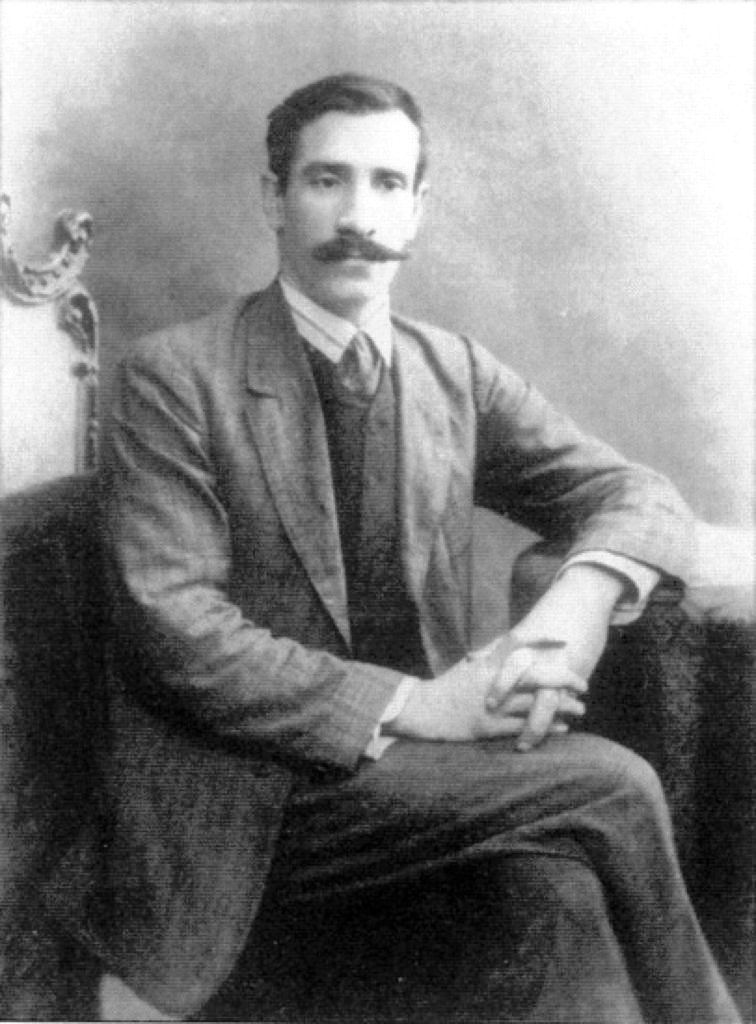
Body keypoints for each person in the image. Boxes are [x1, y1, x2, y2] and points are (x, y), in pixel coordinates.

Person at [46, 73, 741, 1023]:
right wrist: (420, 704)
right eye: (327, 180)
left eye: (386, 184)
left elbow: (636, 494)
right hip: (248, 803)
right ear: (274, 199)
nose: (357, 218)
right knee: (615, 785)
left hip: (422, 788)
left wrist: (574, 614)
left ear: (417, 209)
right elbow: (180, 637)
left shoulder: (450, 370)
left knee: (564, 895)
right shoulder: (175, 377)